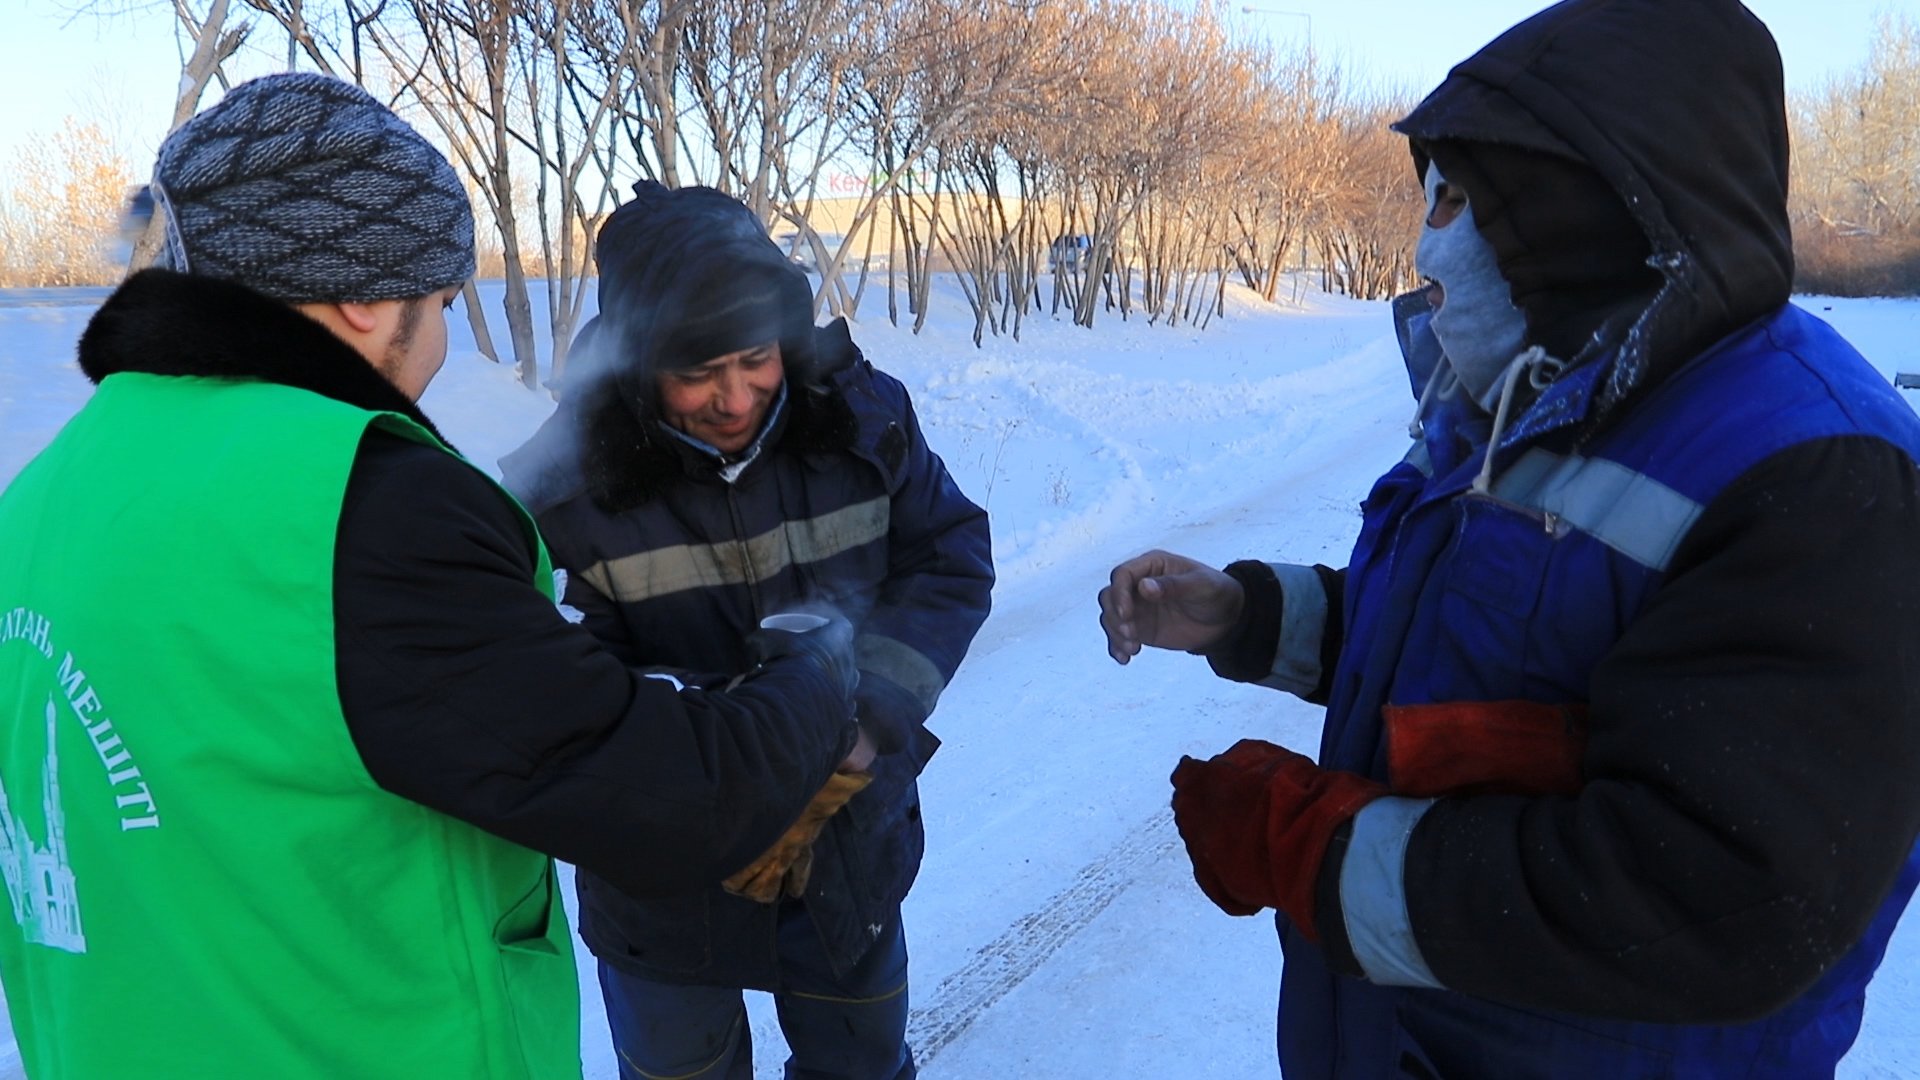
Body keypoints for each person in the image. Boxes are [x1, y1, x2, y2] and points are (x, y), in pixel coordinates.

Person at [1098, 1, 1920, 1076]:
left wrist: (1304, 849)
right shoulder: (1528, 391)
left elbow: (1715, 894)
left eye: (1463, 195)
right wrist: (1255, 616)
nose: (1430, 237)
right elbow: (1496, 642)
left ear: (1595, 203)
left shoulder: (1818, 469)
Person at [0, 73, 866, 1079]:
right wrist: (817, 674)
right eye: (443, 300)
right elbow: (679, 800)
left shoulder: (45, 496)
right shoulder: (362, 500)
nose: (445, 341)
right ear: (368, 296)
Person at [500, 181, 992, 1080]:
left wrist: (870, 720)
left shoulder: (861, 422)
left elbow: (947, 555)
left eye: (755, 359)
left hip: (845, 845)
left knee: (861, 1065)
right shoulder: (559, 491)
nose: (735, 397)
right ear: (636, 361)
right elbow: (552, 690)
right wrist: (735, 760)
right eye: (696, 373)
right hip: (660, 875)